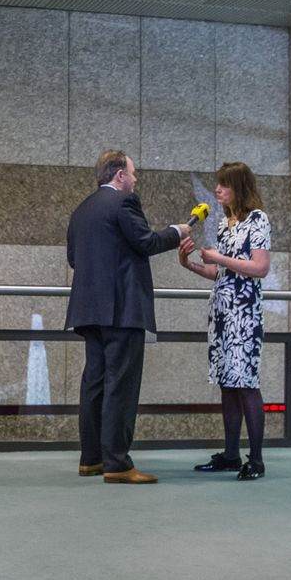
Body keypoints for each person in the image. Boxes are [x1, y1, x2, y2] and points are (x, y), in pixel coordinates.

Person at [65, 150, 189, 485]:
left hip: (89, 312)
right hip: (122, 311)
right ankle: (118, 464)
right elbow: (146, 242)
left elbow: (74, 259)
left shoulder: (81, 210)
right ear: (120, 175)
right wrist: (176, 231)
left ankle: (91, 459)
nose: (136, 181)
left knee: (94, 384)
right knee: (120, 385)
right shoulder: (123, 203)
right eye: (133, 174)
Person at [178, 162, 271, 480]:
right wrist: (189, 264)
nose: (217, 189)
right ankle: (231, 454)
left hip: (244, 315)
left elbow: (260, 268)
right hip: (222, 312)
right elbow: (219, 273)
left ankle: (255, 460)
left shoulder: (257, 219)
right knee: (228, 385)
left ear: (239, 188)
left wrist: (218, 256)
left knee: (246, 385)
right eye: (217, 184)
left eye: (224, 184)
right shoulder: (223, 223)